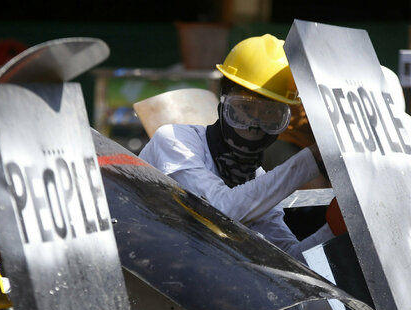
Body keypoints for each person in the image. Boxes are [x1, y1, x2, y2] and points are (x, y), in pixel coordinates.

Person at [138, 34, 333, 260]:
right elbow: (220, 211)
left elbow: (286, 259)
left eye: (270, 115)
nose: (253, 126)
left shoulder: (258, 182)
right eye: (244, 110)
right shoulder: (175, 140)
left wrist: (334, 230)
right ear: (223, 104)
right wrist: (310, 159)